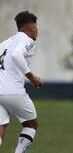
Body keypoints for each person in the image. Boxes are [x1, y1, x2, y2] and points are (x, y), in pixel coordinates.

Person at [0, 11, 43, 152]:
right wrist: (32, 77)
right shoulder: (27, 41)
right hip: (13, 92)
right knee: (31, 124)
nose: (37, 31)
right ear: (30, 27)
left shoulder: (5, 43)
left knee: (1, 126)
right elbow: (16, 55)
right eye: (36, 27)